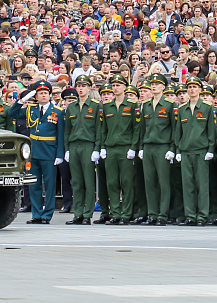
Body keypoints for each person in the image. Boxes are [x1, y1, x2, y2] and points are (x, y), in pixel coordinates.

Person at [7, 81, 65, 224]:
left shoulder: (57, 111)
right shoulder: (30, 109)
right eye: (40, 93)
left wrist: (59, 154)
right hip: (34, 151)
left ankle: (47, 215)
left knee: (50, 185)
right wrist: (23, 100)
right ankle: (37, 214)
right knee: (35, 184)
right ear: (36, 96)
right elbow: (12, 113)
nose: (43, 95)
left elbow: (61, 135)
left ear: (50, 95)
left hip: (49, 151)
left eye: (46, 93)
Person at [97, 74, 140, 224]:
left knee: (127, 182)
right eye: (113, 85)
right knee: (112, 182)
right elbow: (103, 130)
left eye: (118, 85)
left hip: (125, 148)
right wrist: (103, 147)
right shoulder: (107, 106)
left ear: (124, 87)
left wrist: (133, 148)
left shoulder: (132, 105)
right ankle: (115, 212)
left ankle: (126, 213)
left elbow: (136, 128)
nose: (115, 88)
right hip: (111, 148)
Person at [174, 76, 217, 225]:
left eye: (195, 87)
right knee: (188, 186)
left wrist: (211, 148)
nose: (192, 89)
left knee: (202, 185)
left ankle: (202, 215)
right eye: (189, 87)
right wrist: (178, 150)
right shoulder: (182, 109)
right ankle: (190, 215)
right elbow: (178, 132)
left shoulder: (207, 107)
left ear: (200, 89)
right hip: (186, 151)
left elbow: (211, 130)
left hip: (201, 151)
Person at [63, 76, 101, 225]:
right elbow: (67, 131)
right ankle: (77, 213)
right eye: (78, 85)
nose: (80, 88)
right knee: (77, 182)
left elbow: (99, 129)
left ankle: (87, 214)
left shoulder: (96, 106)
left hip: (88, 145)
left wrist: (97, 149)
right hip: (74, 145)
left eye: (84, 85)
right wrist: (67, 149)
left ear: (89, 88)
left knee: (89, 182)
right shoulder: (71, 107)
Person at [138, 73, 174, 226]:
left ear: (163, 87)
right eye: (152, 84)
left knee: (163, 183)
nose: (154, 86)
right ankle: (152, 213)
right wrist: (141, 147)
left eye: (157, 84)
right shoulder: (145, 105)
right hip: (148, 146)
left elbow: (173, 128)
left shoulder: (169, 104)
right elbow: (142, 129)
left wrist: (172, 148)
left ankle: (163, 214)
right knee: (150, 182)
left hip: (162, 146)